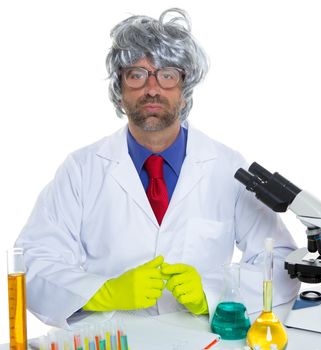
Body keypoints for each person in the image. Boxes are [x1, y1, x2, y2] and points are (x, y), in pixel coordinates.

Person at [15, 8, 299, 329]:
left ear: (184, 87)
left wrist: (211, 291)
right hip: (112, 337)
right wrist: (104, 292)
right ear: (119, 89)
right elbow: (33, 262)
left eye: (167, 74)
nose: (152, 88)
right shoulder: (81, 169)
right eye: (136, 74)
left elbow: (281, 263)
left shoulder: (226, 166)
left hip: (199, 338)